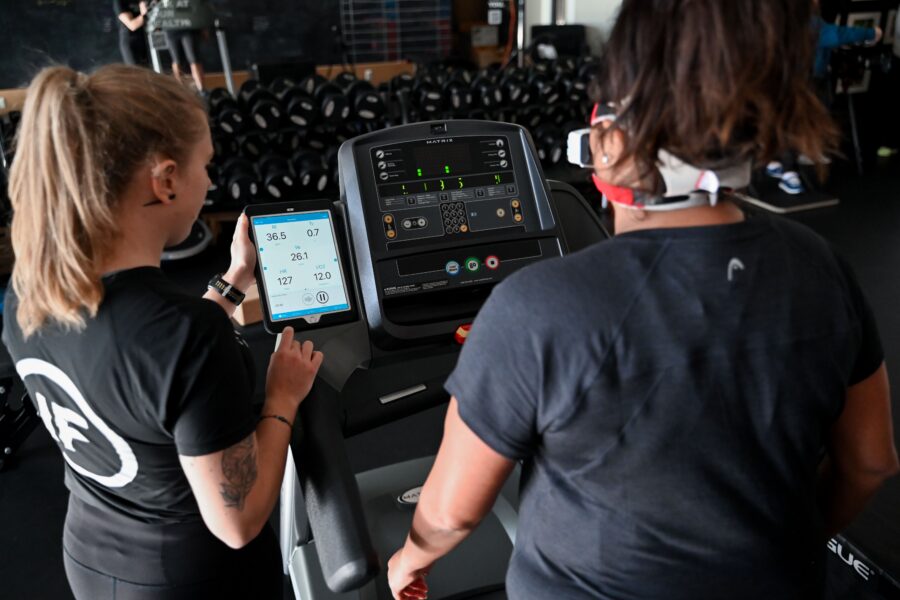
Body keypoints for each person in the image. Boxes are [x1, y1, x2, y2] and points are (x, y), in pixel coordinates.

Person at [387, 1, 899, 599]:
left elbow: (451, 513)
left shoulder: (535, 308)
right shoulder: (821, 267)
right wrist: (785, 541)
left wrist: (408, 558)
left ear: (609, 141)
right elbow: (871, 462)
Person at [2, 64, 322, 599]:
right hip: (192, 581)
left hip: (89, 557)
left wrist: (234, 279)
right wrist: (282, 397)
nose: (211, 182)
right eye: (206, 165)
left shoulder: (29, 292)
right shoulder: (186, 336)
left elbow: (151, 364)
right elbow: (237, 521)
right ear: (166, 180)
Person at [767, 3, 883, 195]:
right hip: (807, 81)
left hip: (783, 80)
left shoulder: (780, 22)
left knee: (784, 122)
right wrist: (873, 33)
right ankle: (790, 173)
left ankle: (777, 162)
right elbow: (839, 35)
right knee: (801, 124)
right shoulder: (811, 23)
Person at [113, 0, 150, 66]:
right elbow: (132, 25)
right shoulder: (120, 2)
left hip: (146, 40)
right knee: (136, 73)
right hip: (132, 43)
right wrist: (145, 14)